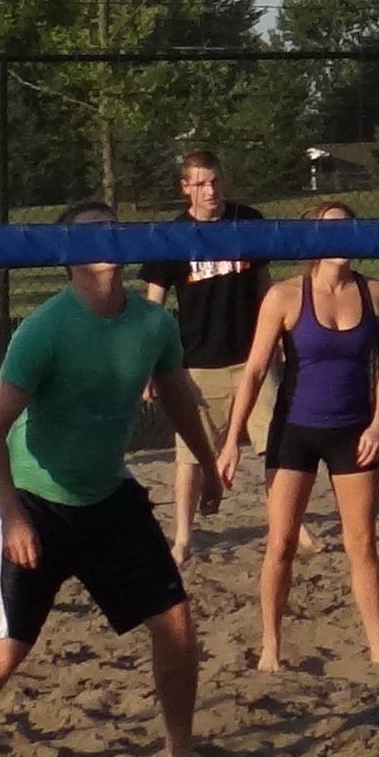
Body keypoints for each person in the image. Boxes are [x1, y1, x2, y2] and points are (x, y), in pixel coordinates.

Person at [0, 212, 226, 757]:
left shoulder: (152, 324)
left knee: (176, 622)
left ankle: (180, 748)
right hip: (35, 500)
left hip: (108, 497)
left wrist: (209, 465)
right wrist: (14, 518)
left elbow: (178, 399)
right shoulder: (45, 329)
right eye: (91, 236)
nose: (106, 245)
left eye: (113, 232)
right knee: (8, 650)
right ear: (68, 257)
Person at [227, 203, 379, 672]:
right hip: (295, 431)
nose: (343, 235)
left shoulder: (377, 293)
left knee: (362, 543)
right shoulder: (285, 297)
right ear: (313, 240)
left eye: (350, 225)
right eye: (332, 227)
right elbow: (255, 371)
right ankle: (271, 647)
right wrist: (230, 441)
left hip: (353, 430)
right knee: (281, 542)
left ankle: (378, 647)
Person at [152, 150, 271, 553]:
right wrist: (152, 363)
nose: (210, 191)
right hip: (198, 361)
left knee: (275, 444)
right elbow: (154, 302)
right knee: (189, 456)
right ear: (185, 188)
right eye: (201, 183)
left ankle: (289, 522)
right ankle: (184, 534)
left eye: (216, 181)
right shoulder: (173, 236)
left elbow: (265, 286)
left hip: (252, 356)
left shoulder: (247, 222)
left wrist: (278, 342)